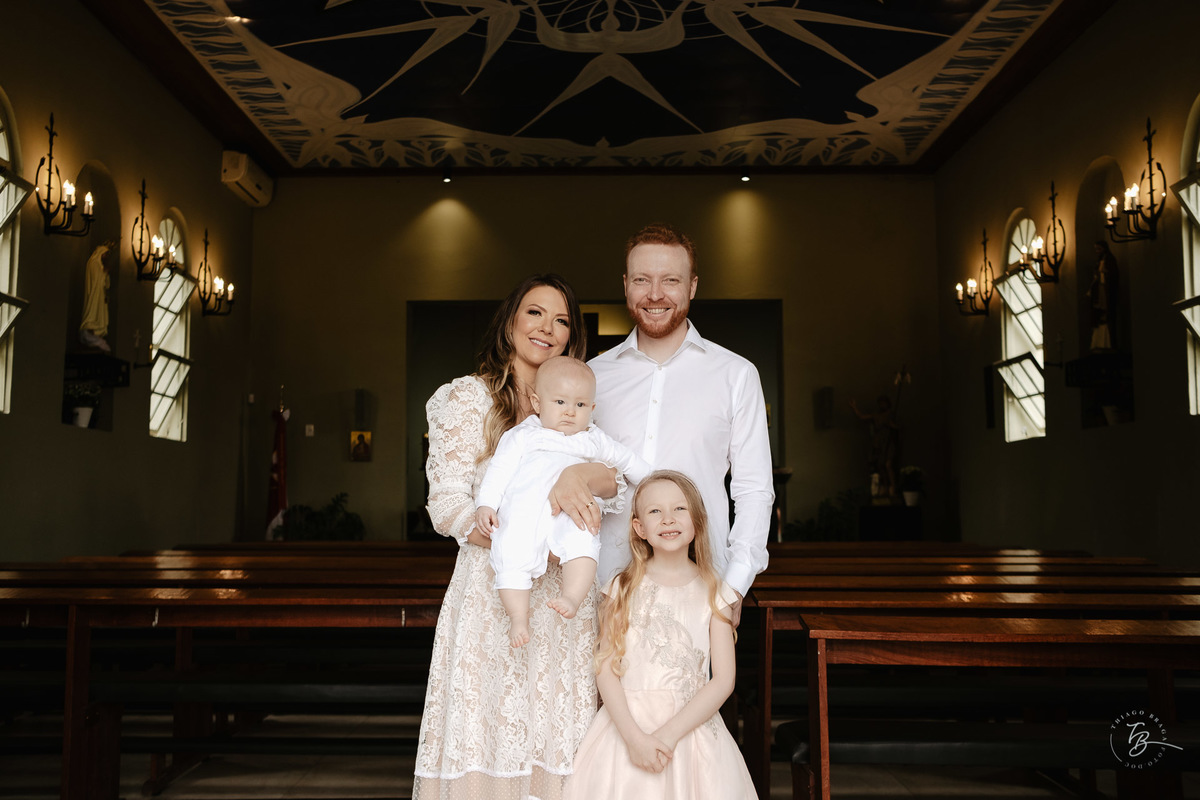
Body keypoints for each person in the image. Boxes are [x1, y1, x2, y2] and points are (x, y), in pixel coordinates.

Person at [413, 274, 620, 800]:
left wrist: (578, 482)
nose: (548, 328)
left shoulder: (576, 400)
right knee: (490, 732)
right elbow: (447, 504)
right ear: (510, 323)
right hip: (492, 591)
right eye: (535, 313)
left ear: (572, 338)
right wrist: (519, 538)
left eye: (562, 320)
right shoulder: (468, 398)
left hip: (564, 598)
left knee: (557, 737)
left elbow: (613, 484)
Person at [583, 223, 774, 627]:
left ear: (692, 287)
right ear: (625, 285)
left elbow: (754, 489)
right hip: (602, 588)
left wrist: (733, 587)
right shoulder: (591, 377)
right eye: (642, 280)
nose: (655, 294)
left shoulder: (736, 374)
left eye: (671, 280)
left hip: (702, 590)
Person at [562, 470, 757, 800]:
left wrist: (667, 736)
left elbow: (723, 680)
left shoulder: (716, 594)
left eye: (680, 509)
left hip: (690, 732)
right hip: (625, 729)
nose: (668, 519)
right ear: (639, 528)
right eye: (655, 511)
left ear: (697, 520)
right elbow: (606, 668)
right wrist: (635, 739)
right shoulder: (620, 589)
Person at [476, 356, 652, 648]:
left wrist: (656, 483)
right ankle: (518, 617)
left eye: (580, 405)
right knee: (511, 553)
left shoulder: (594, 439)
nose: (570, 412)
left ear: (592, 409)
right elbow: (499, 471)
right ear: (537, 402)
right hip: (524, 514)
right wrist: (486, 504)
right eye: (560, 403)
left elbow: (630, 462)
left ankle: (572, 595)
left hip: (569, 516)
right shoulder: (522, 435)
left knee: (585, 543)